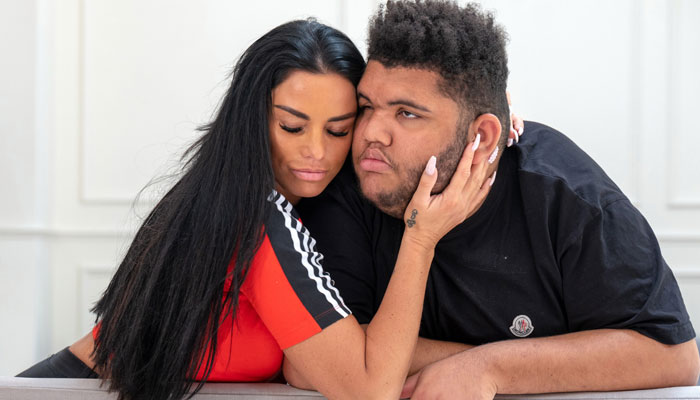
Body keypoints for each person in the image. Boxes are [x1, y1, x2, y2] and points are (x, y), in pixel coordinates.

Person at [16, 18, 505, 400]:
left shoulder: (242, 194)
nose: (316, 151)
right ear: (253, 119)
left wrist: (482, 118)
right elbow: (368, 387)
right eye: (292, 127)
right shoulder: (259, 220)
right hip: (72, 390)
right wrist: (421, 237)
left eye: (338, 130)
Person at [293, 1, 700, 398]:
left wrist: (491, 368)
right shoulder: (349, 188)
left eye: (407, 114)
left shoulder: (566, 196)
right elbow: (315, 363)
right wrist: (488, 361)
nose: (371, 133)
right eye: (367, 106)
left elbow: (674, 356)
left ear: (483, 136)